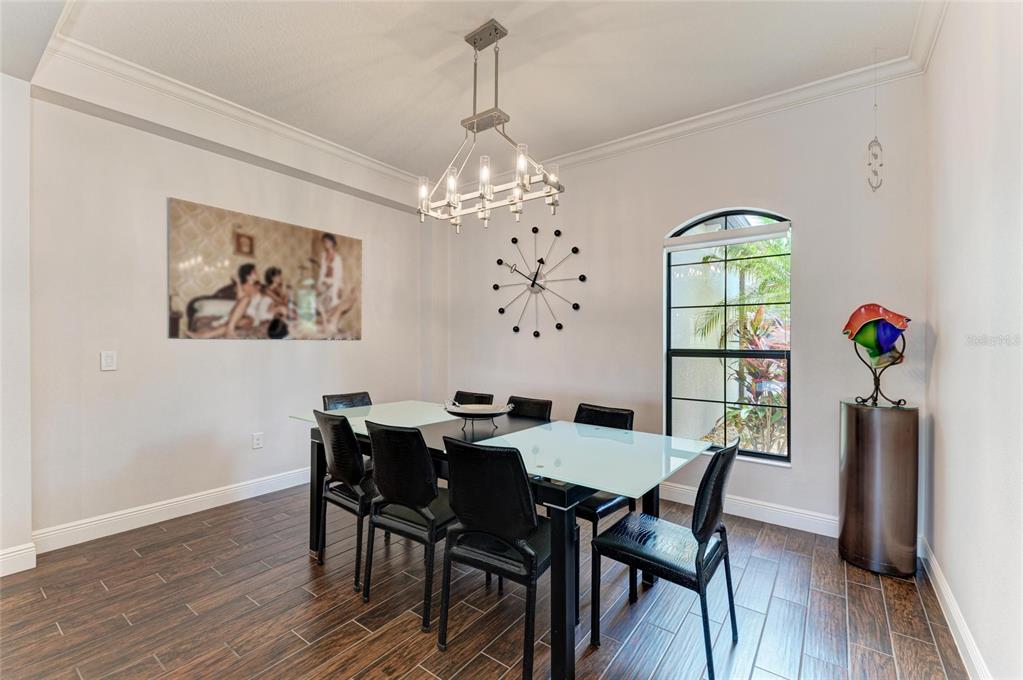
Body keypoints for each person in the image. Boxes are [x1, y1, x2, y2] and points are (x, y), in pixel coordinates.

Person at [187, 263, 271, 339]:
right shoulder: (241, 286)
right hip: (239, 313)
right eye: (255, 272)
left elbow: (266, 301)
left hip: (251, 318)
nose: (258, 273)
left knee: (236, 323)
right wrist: (238, 282)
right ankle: (225, 330)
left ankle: (205, 335)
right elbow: (240, 299)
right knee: (246, 299)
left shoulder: (258, 287)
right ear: (248, 275)